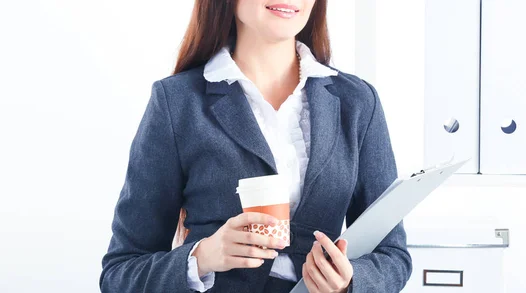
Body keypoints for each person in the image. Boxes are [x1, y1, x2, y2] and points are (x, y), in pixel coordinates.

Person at [100, 0, 412, 292]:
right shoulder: (177, 103)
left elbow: (392, 255)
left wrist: (350, 281)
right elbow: (120, 272)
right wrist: (201, 258)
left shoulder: (356, 102)